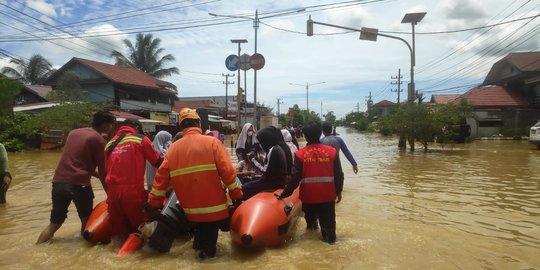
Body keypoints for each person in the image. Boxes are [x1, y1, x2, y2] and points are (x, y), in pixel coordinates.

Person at [147, 108, 242, 259]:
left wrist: (154, 202)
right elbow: (228, 173)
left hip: (190, 212)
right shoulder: (212, 143)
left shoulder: (172, 149)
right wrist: (236, 194)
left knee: (198, 245)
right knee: (208, 253)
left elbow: (160, 180)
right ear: (199, 123)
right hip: (213, 210)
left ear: (180, 127)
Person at [36, 110, 116, 244]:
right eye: (110, 125)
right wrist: (110, 196)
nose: (111, 128)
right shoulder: (98, 140)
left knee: (54, 224)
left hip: (58, 182)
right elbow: (103, 172)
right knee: (87, 222)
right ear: (104, 125)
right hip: (79, 185)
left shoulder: (74, 133)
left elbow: (77, 162)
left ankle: (37, 246)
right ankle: (85, 257)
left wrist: (93, 174)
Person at [277, 121, 343, 244]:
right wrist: (338, 191)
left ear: (305, 136)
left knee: (311, 229)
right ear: (320, 134)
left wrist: (284, 194)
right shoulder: (332, 152)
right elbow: (339, 174)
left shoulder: (300, 154)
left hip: (309, 198)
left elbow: (294, 179)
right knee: (329, 235)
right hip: (327, 197)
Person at [105, 119, 162, 239]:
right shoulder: (140, 139)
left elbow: (106, 169)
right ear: (136, 127)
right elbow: (157, 162)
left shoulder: (109, 144)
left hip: (112, 194)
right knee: (141, 229)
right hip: (132, 193)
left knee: (120, 233)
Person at [241, 126, 292, 200]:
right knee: (250, 181)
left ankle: (239, 206)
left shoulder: (273, 150)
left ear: (265, 140)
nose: (260, 144)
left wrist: (253, 159)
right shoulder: (279, 148)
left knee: (243, 188)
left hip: (272, 184)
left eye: (261, 141)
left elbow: (265, 170)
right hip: (278, 182)